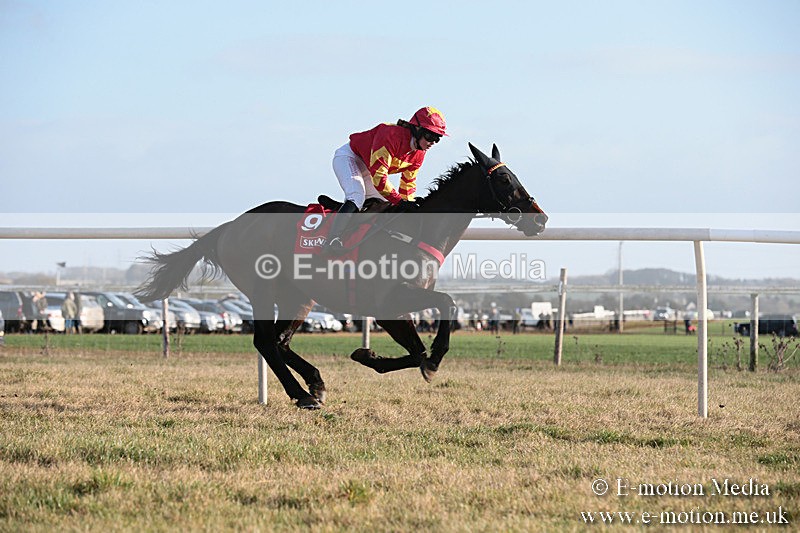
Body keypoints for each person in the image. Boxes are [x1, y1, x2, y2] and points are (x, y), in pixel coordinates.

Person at [323, 106, 448, 254]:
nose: (432, 142)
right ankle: (332, 240)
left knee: (383, 204)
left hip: (369, 167)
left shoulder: (419, 154)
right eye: (430, 136)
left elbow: (408, 183)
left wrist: (408, 203)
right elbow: (379, 178)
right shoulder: (391, 136)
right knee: (356, 195)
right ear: (417, 130)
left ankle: (355, 233)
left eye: (437, 139)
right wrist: (400, 201)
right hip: (350, 157)